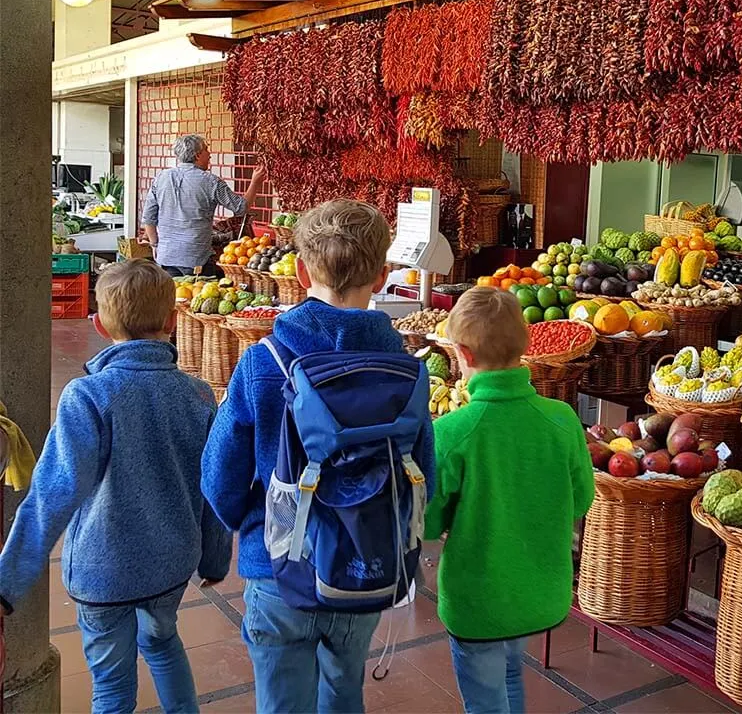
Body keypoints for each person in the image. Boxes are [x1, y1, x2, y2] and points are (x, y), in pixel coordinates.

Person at [202, 199, 436, 714]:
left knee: (283, 702)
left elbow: (219, 477)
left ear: (302, 269)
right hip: (364, 564)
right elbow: (426, 479)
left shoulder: (264, 363)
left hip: (278, 567)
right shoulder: (405, 369)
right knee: (345, 692)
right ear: (380, 276)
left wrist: (255, 522)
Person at [0, 260, 231, 714]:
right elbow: (214, 489)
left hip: (102, 572)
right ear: (171, 320)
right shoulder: (200, 395)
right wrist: (215, 557)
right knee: (163, 642)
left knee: (110, 685)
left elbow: (52, 496)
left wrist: (7, 585)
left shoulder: (87, 397)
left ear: (100, 325)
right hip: (171, 563)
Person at [425, 286, 595, 714]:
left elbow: (427, 522)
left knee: (486, 696)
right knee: (509, 671)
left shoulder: (451, 432)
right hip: (541, 594)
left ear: (461, 353)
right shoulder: (562, 419)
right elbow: (581, 499)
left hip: (478, 602)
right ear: (526, 343)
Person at [142, 134, 264, 277]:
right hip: (196, 259)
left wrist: (155, 245)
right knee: (198, 295)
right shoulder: (211, 182)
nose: (210, 154)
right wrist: (255, 182)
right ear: (198, 154)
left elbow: (149, 219)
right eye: (207, 149)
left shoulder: (161, 178)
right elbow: (241, 208)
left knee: (173, 297)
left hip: (166, 257)